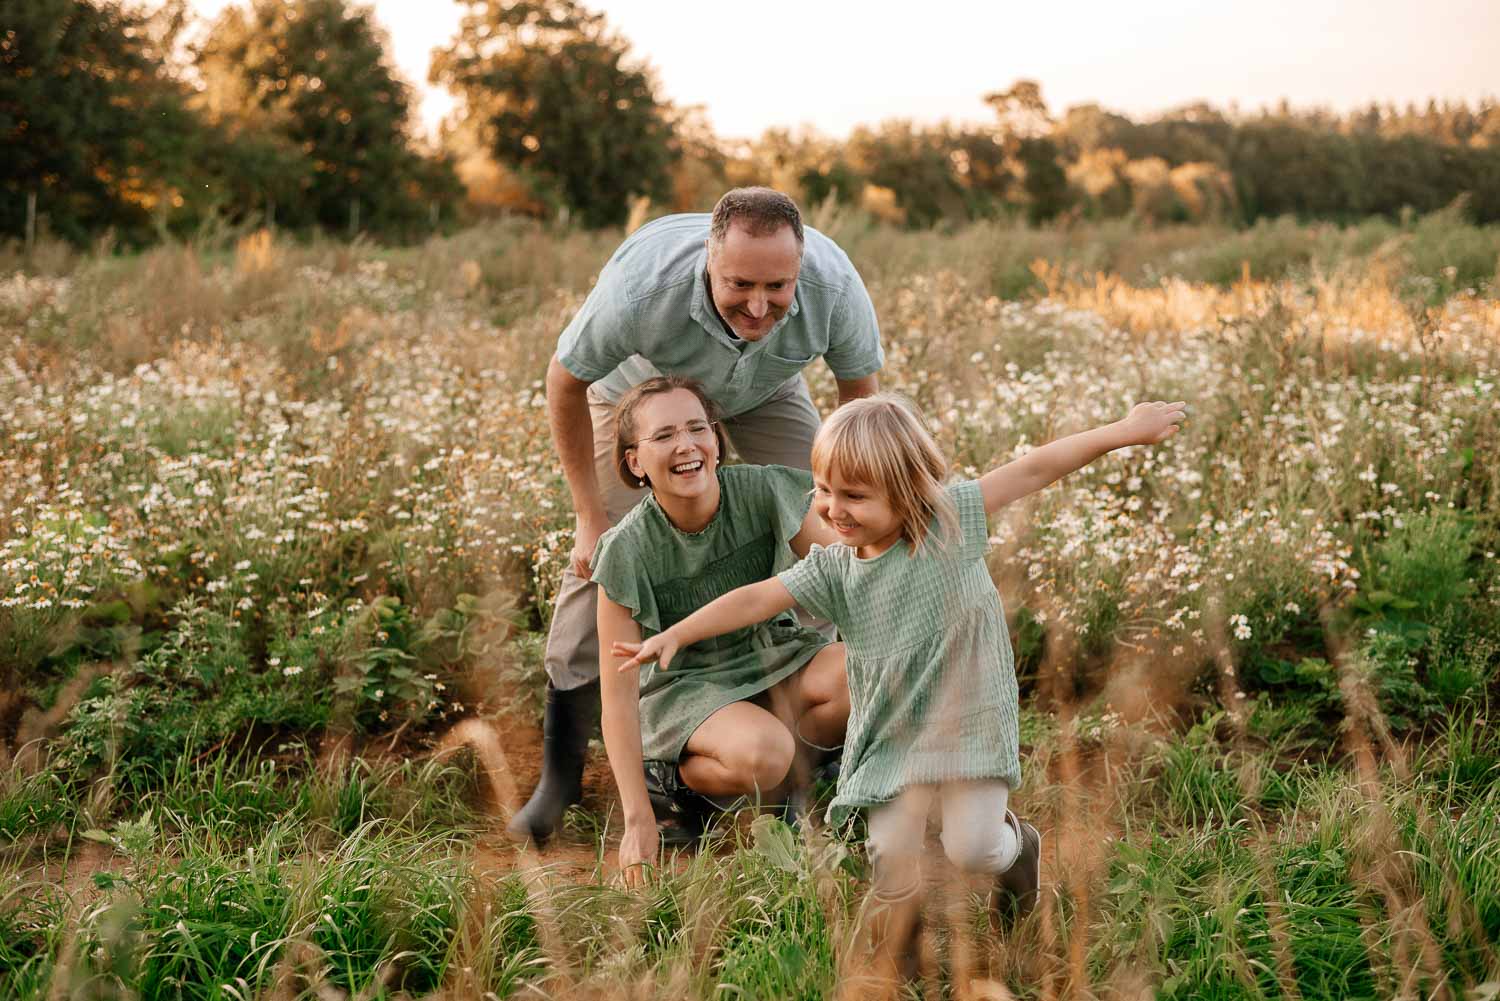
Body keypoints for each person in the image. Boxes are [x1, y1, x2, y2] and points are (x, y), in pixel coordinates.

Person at [614, 394, 1187, 947]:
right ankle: (904, 960)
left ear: (907, 490)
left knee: (972, 847)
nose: (833, 509)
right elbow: (759, 597)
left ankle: (1018, 850)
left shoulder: (948, 523)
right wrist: (678, 633)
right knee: (889, 855)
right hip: (889, 731)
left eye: (854, 496)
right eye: (823, 490)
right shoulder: (836, 567)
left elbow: (1035, 468)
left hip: (967, 718)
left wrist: (1123, 431)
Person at [509, 188, 883, 843]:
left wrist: (850, 507)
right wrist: (589, 515)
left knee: (834, 531)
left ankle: (793, 739)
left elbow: (859, 405)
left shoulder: (836, 287)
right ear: (709, 261)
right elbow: (564, 381)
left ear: (800, 268)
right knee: (601, 558)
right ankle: (560, 778)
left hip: (765, 388)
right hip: (643, 394)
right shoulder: (642, 289)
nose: (759, 306)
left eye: (777, 287)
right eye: (740, 284)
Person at [590, 376, 850, 880]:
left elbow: (844, 574)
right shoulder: (625, 549)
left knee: (861, 673)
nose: (686, 445)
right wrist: (637, 820)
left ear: (715, 437)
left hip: (774, 652)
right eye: (664, 435)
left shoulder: (764, 488)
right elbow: (617, 696)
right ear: (635, 461)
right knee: (765, 753)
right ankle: (678, 787)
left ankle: (793, 786)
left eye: (697, 428)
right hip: (689, 687)